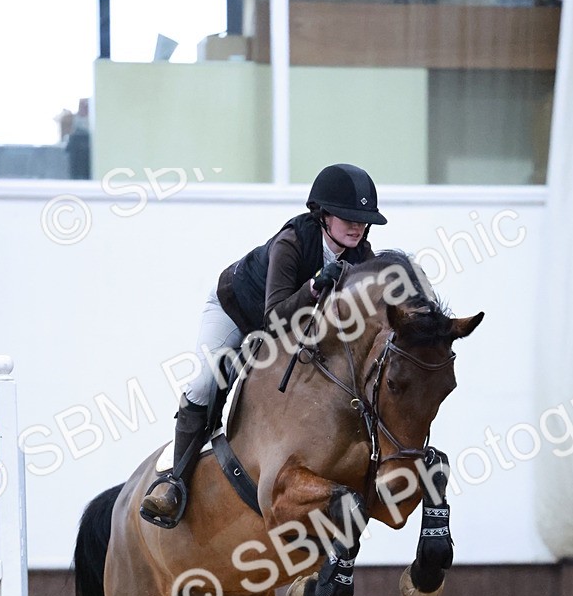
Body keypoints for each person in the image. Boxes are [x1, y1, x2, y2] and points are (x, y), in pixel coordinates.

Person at [140, 163, 387, 527]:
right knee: (207, 381)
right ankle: (173, 482)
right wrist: (315, 286)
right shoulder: (293, 242)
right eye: (347, 217)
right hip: (238, 312)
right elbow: (273, 319)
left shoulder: (361, 259)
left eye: (363, 218)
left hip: (290, 327)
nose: (357, 225)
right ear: (322, 215)